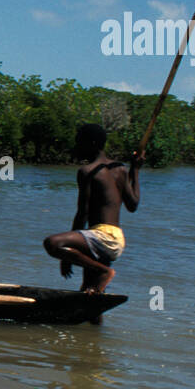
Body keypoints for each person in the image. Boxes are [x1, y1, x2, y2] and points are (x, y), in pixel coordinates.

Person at [42, 124, 141, 296]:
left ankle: (104, 271)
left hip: (101, 238)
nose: (77, 147)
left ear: (92, 144)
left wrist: (66, 256)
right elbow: (133, 205)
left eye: (80, 143)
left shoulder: (87, 171)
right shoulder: (120, 169)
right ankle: (93, 318)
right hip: (115, 239)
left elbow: (82, 213)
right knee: (90, 293)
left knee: (52, 243)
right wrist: (135, 170)